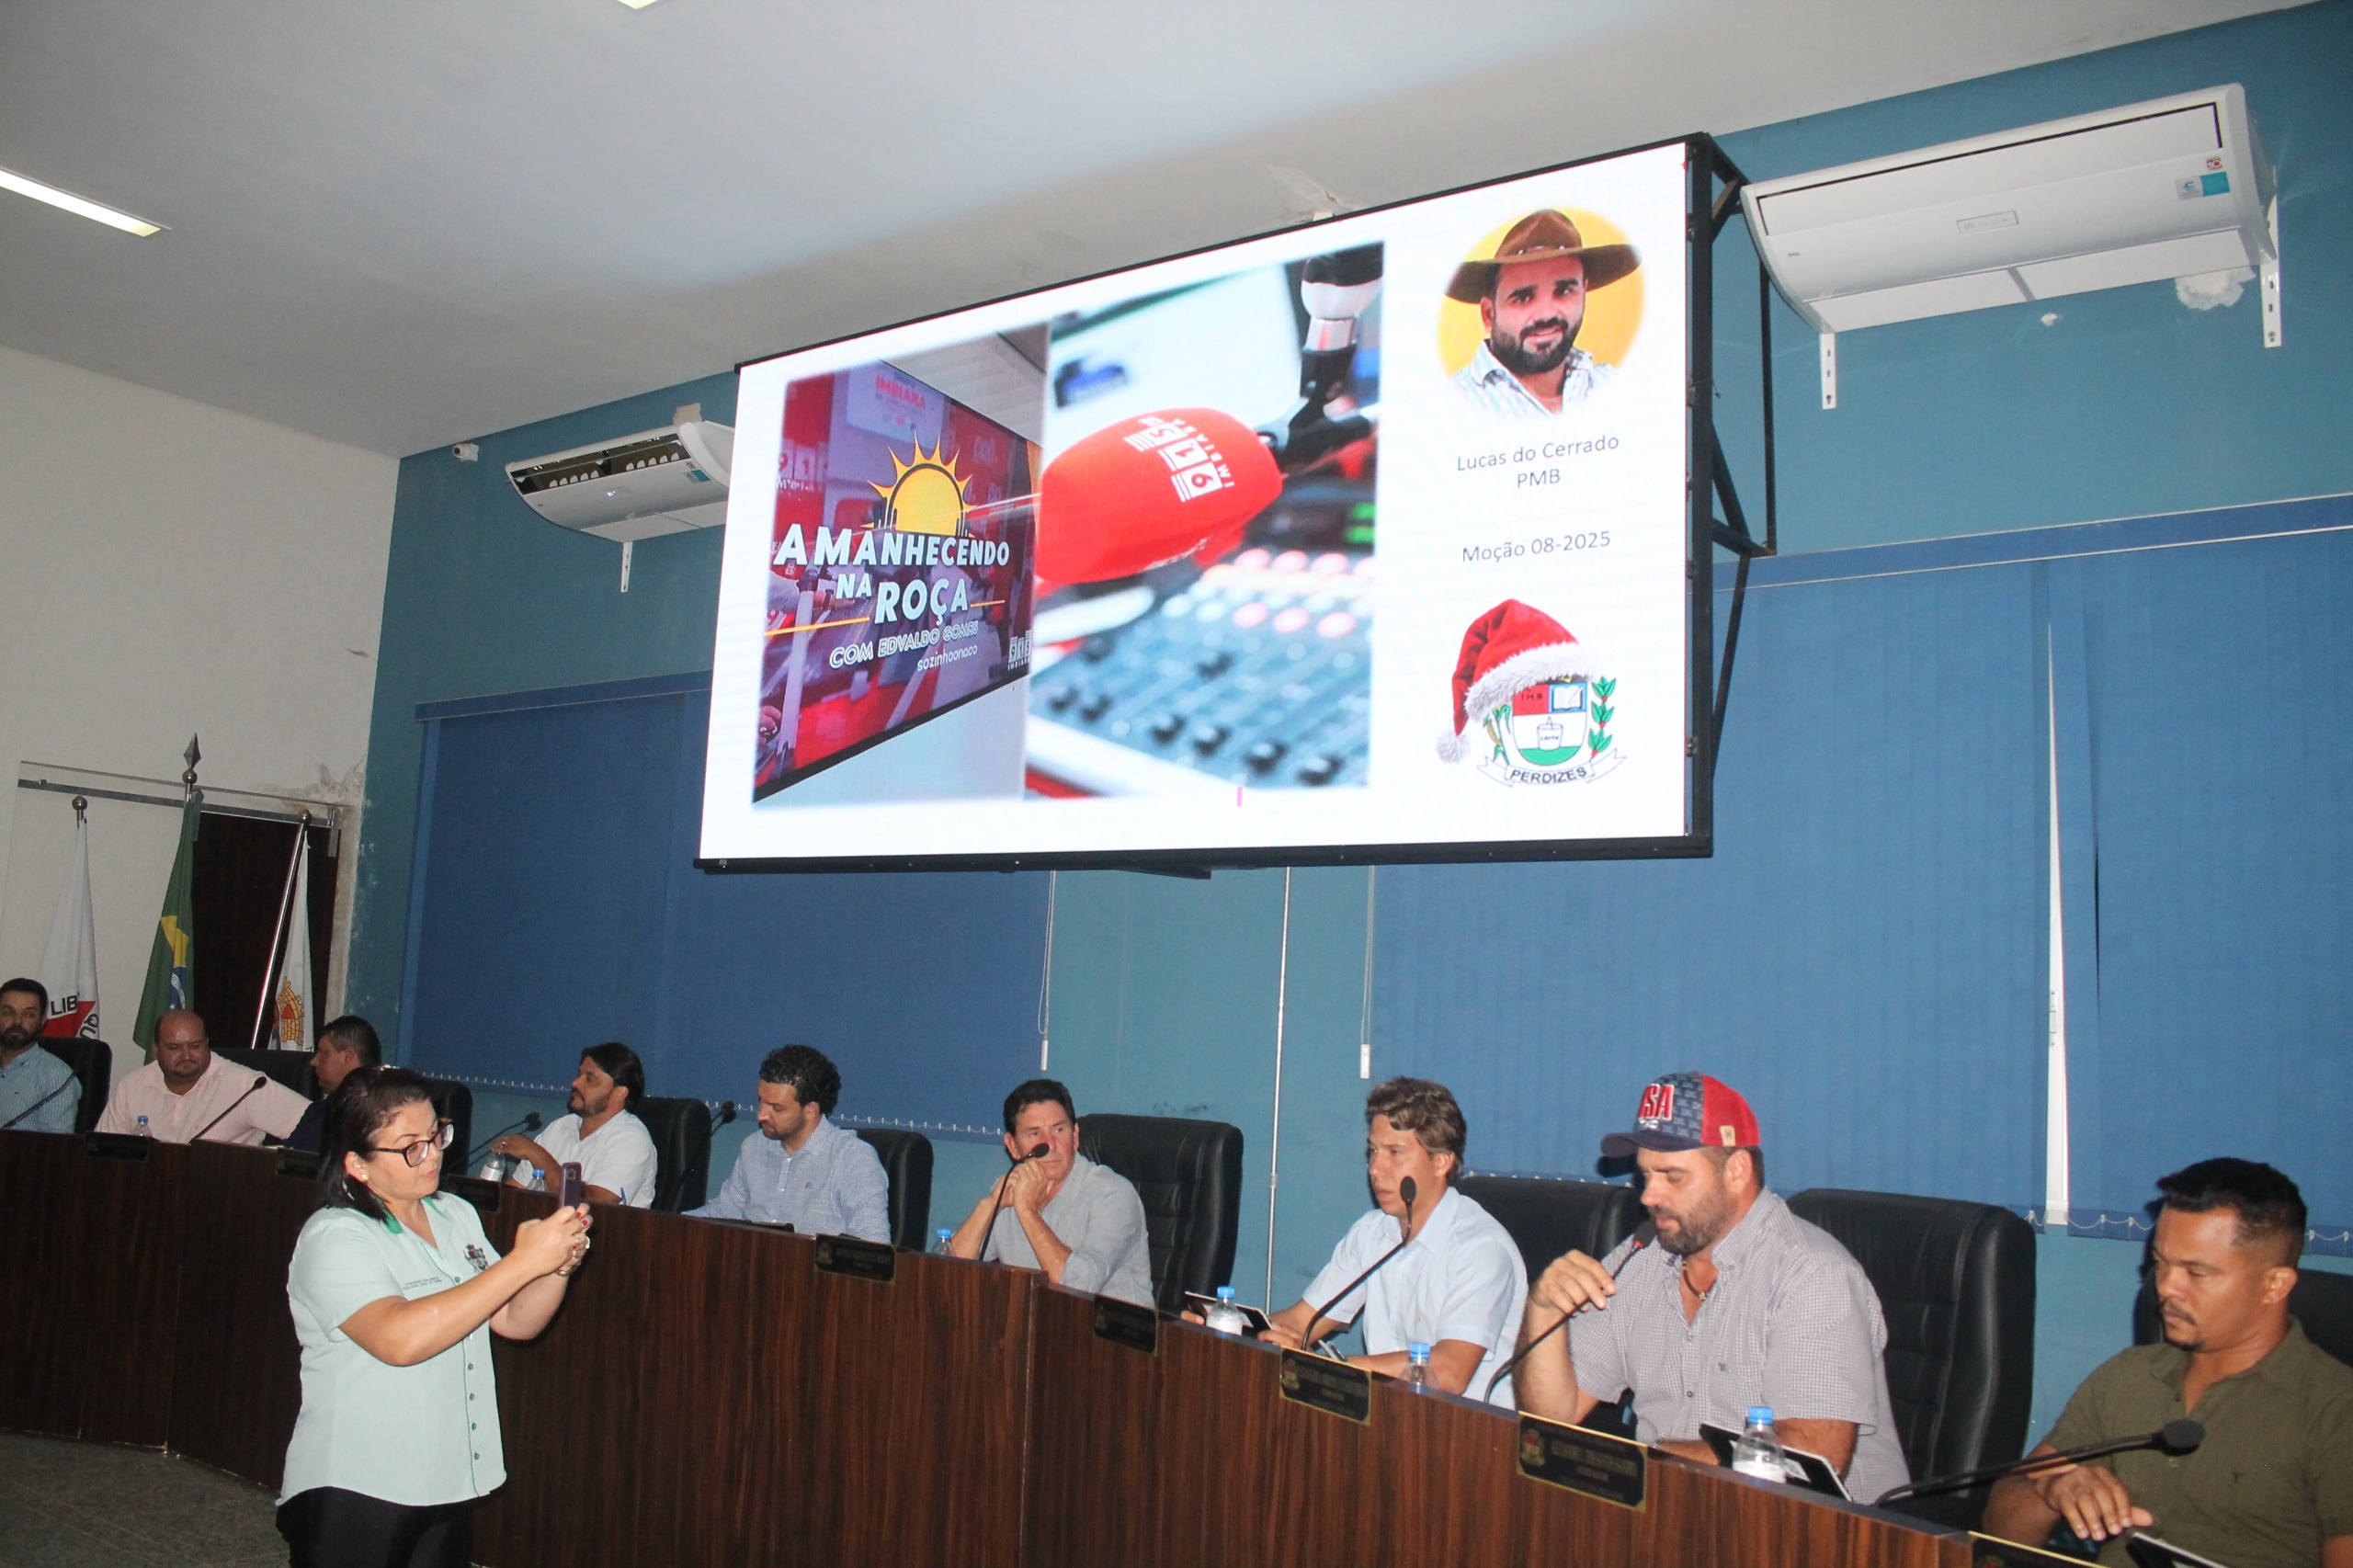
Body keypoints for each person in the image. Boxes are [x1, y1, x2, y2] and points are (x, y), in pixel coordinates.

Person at [1514, 1071, 1910, 1503]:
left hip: (1821, 1528)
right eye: (1645, 1175)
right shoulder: (1641, 1259)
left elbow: (1810, 1459)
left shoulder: (1812, 1274)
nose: (1648, 1196)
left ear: (1736, 1171)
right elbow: (1552, 1418)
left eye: (1673, 1176)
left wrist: (1643, 1465)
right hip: (1678, 1508)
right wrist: (1543, 1310)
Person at [278, 1066, 589, 1567]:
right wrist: (522, 1263)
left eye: (436, 1135)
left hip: (444, 1475)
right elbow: (399, 1339)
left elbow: (514, 1320)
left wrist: (555, 1268)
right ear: (357, 1164)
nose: (433, 1155)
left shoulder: (454, 1214)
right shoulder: (335, 1236)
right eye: (410, 1148)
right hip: (359, 1482)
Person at [1984, 1159, 2353, 1568]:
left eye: (2196, 1272)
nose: (2166, 1288)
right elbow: (1999, 1533)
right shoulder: (2130, 1375)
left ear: (2274, 1285)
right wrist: (2051, 1491)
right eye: (2161, 1263)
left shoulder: (2335, 1410)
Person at [1257, 1078, 1528, 1405]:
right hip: (1390, 1414)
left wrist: (1331, 1370)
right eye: (1373, 1151)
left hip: (1465, 1428)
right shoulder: (1372, 1233)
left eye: (1395, 1153)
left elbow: (1449, 1371)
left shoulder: (1481, 1248)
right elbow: (1301, 1322)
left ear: (1441, 1161)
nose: (1375, 1168)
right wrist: (1231, 1327)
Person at [948, 1078, 1153, 1308]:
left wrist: (1028, 1211)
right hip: (1036, 1326)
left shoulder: (1112, 1195)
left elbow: (1079, 1287)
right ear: (1013, 1146)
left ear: (1075, 1136)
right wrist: (989, 1204)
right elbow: (949, 1276)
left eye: (1058, 1130)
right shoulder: (1011, 1189)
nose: (1050, 1145)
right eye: (1034, 1134)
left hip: (1105, 1329)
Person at [688, 1044, 890, 1242]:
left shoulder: (853, 1160)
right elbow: (720, 1214)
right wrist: (673, 1225)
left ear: (810, 1110)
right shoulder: (753, 1147)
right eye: (760, 1101)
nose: (761, 1115)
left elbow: (872, 1247)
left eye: (776, 1108)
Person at [1448, 209, 1640, 416]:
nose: (1546, 314)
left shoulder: (1617, 388)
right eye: (1523, 298)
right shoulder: (1452, 405)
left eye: (1564, 291)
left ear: (1583, 292)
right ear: (1489, 314)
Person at [97, 1007, 308, 1143]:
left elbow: (314, 1125)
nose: (186, 1055)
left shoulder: (245, 1086)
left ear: (207, 1043)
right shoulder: (132, 1086)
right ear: (156, 1050)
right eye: (174, 1047)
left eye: (195, 1045)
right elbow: (102, 1153)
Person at [491, 1042, 657, 1208]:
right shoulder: (561, 1126)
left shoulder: (632, 1139)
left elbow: (594, 1206)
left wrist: (535, 1153)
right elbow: (513, 1193)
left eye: (589, 1079)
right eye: (579, 1075)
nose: (576, 1083)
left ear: (619, 1093)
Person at [286, 1016, 383, 1153]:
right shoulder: (316, 1112)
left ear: (348, 1056)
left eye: (323, 1053)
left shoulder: (381, 1117)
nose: (313, 1061)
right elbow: (288, 1157)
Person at [0, 977, 82, 1133]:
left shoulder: (56, 1077)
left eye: (29, 1015)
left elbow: (55, 1145)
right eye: (8, 1013)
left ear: (42, 1021)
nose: (17, 1022)